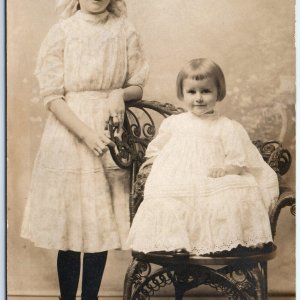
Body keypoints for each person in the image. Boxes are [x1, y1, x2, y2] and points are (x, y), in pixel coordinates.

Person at [21, 0, 149, 299]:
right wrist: (87, 134)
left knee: (99, 227)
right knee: (71, 229)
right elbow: (52, 97)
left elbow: (138, 84)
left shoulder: (124, 30)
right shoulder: (62, 31)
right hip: (70, 132)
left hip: (110, 132)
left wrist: (119, 93)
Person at [127, 58, 279, 256]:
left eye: (205, 91)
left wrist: (226, 169)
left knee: (233, 191)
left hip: (212, 175)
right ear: (182, 93)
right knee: (167, 195)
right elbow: (156, 151)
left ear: (218, 93)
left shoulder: (226, 126)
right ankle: (175, 242)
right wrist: (157, 166)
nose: (198, 98)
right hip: (180, 175)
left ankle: (218, 242)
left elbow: (237, 160)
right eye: (192, 92)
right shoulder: (174, 123)